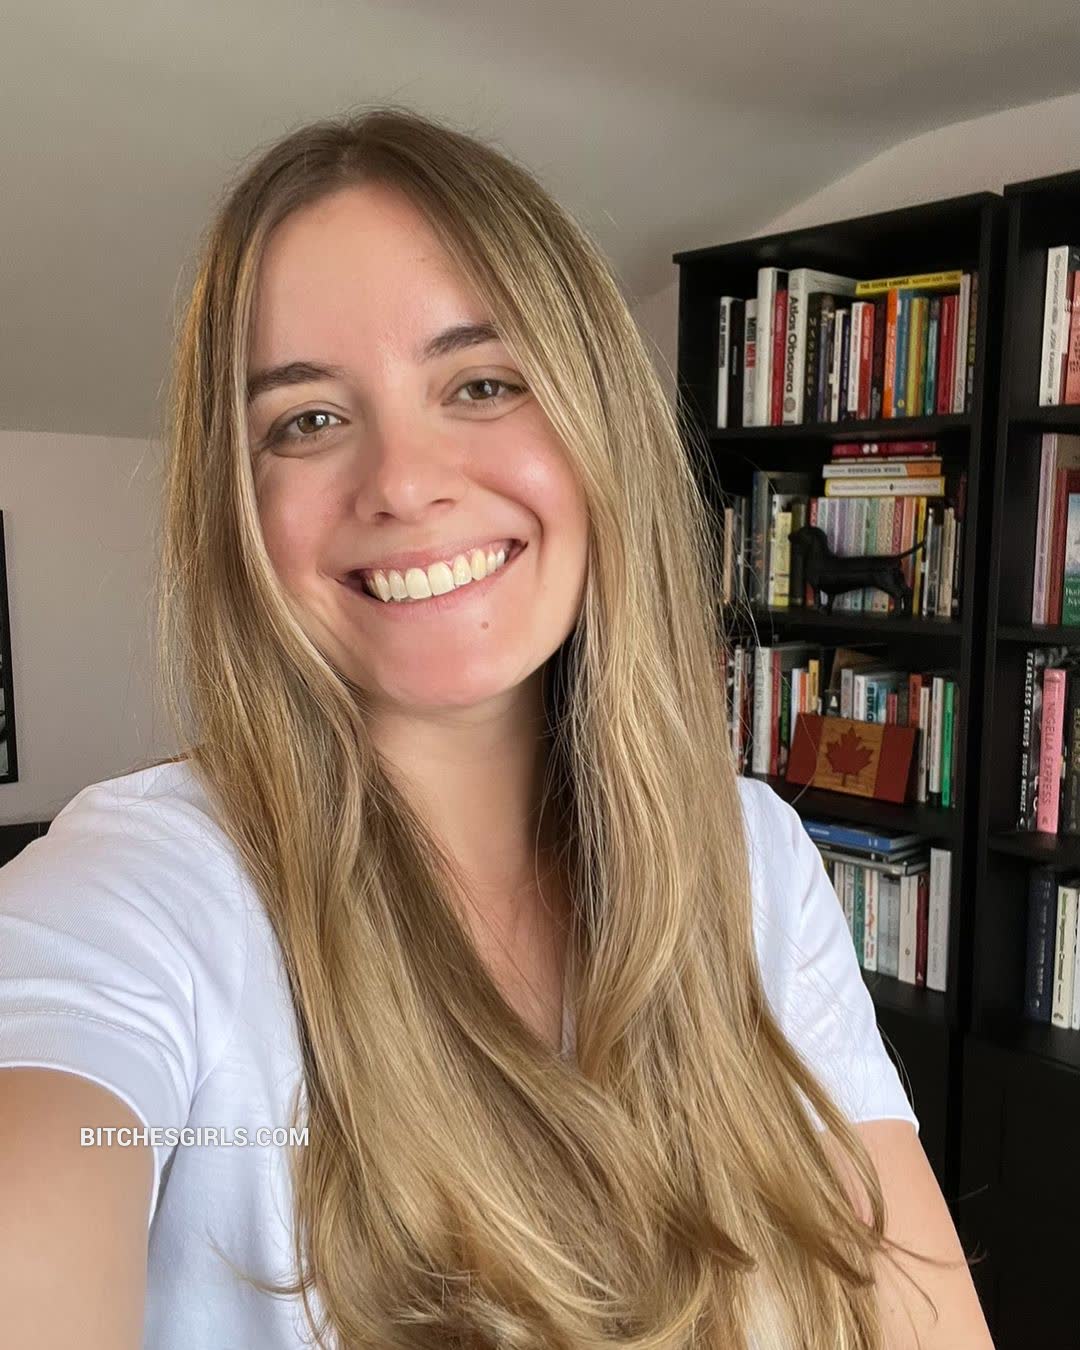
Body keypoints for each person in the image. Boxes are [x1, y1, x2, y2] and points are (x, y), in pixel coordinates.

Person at [0, 105, 994, 1349]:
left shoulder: (754, 859)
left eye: (481, 384)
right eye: (307, 419)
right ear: (237, 507)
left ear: (596, 425)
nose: (404, 481)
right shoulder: (140, 892)